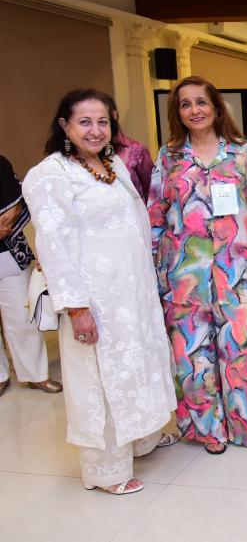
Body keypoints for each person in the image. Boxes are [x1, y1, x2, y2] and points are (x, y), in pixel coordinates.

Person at [22, 89, 176, 495]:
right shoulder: (51, 174)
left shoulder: (112, 165)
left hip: (131, 295)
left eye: (103, 121)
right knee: (100, 379)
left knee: (136, 366)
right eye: (85, 122)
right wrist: (76, 308)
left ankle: (141, 438)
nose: (95, 130)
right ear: (65, 126)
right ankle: (106, 471)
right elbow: (53, 245)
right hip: (95, 300)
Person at [148, 76, 247, 455]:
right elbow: (155, 217)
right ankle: (207, 430)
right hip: (184, 277)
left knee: (245, 353)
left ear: (216, 107)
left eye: (201, 102)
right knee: (193, 358)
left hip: (240, 275)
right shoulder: (169, 158)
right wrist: (153, 271)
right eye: (185, 104)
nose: (195, 110)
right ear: (178, 112)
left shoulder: (243, 154)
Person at [0, 155, 63, 397]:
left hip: (7, 252)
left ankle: (36, 374)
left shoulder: (0, 164)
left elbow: (14, 207)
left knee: (21, 316)